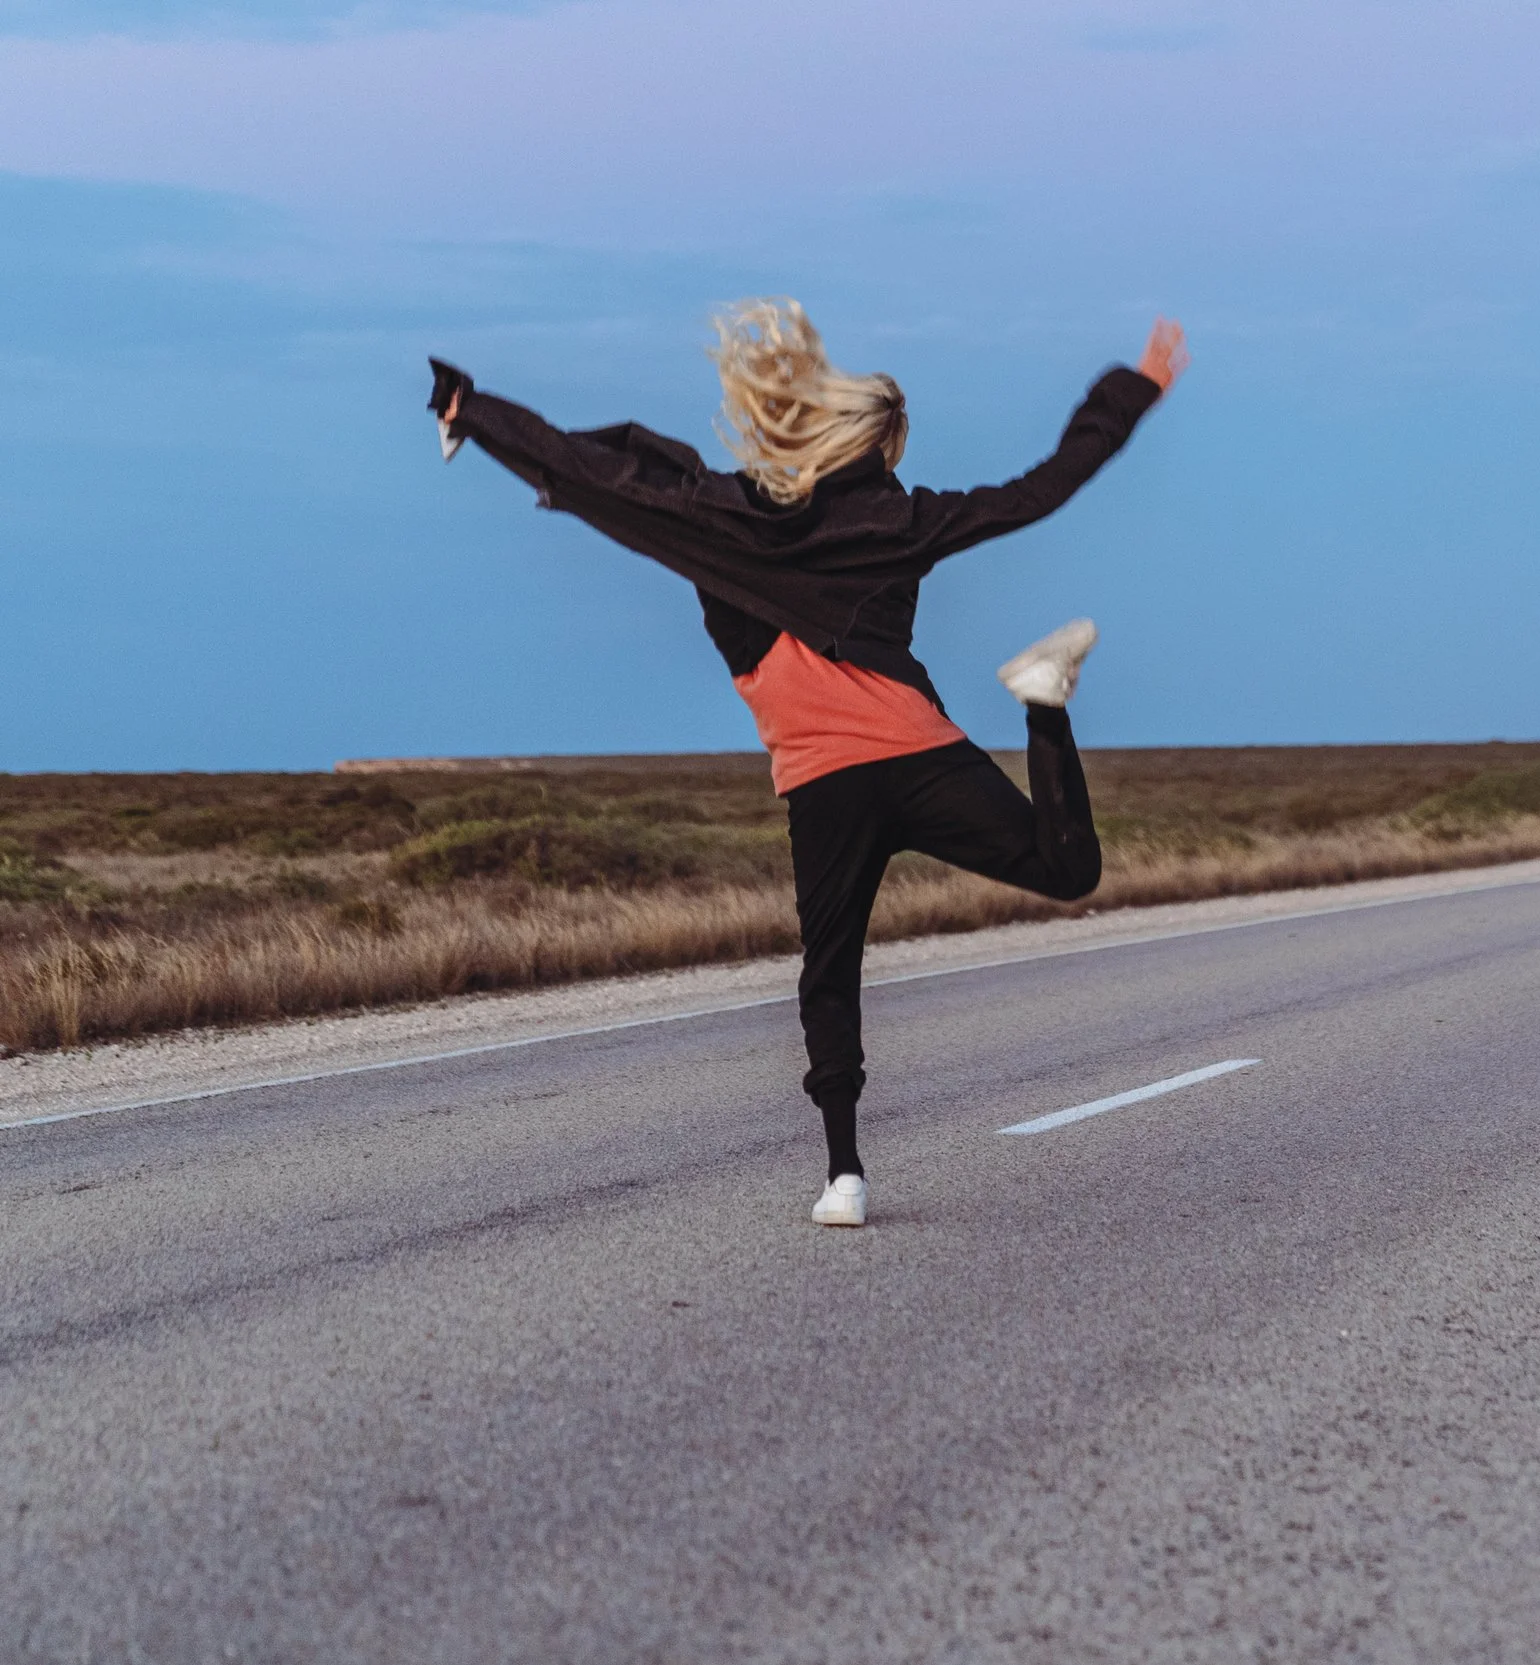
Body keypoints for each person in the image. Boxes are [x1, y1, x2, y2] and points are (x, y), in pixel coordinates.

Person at [429, 299, 1187, 1227]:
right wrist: (1130, 391)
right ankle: (1043, 704)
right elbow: (1039, 489)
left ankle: (845, 1176)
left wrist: (473, 412)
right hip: (918, 754)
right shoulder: (902, 519)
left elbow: (604, 478)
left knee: (831, 972)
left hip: (825, 784)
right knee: (1068, 869)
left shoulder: (727, 519)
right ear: (879, 449)